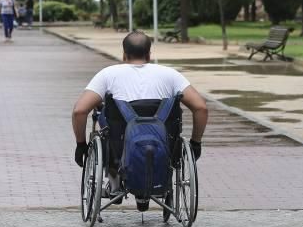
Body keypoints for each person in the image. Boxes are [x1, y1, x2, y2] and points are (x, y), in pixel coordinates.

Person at [71, 31, 208, 191]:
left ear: (124, 55)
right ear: (149, 55)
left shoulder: (108, 75)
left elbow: (79, 111)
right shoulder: (171, 75)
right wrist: (196, 143)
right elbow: (201, 108)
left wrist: (81, 145)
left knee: (103, 116)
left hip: (119, 144)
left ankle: (114, 178)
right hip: (164, 141)